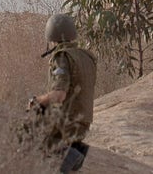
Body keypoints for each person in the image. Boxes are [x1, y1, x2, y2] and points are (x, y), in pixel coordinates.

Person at [20, 13, 97, 173]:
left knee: (23, 132)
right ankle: (73, 154)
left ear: (51, 36)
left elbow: (59, 95)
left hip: (66, 121)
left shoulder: (62, 57)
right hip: (83, 122)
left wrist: (37, 101)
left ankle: (71, 155)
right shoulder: (85, 56)